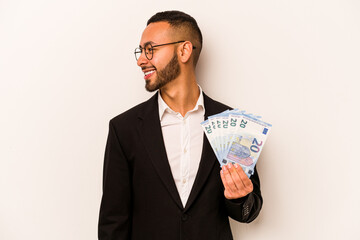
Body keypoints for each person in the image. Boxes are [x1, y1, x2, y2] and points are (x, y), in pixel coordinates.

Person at [98, 10, 262, 240]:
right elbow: (112, 222)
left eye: (150, 49)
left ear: (184, 50)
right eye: (141, 51)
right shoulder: (124, 129)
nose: (141, 60)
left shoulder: (231, 124)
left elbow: (249, 211)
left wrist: (239, 197)